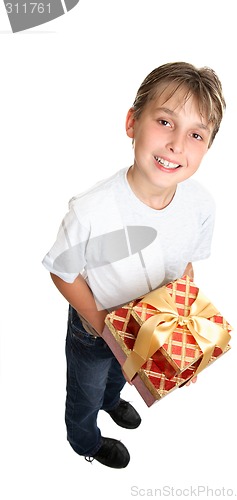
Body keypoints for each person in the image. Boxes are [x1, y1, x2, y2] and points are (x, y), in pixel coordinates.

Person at [42, 61, 226, 469]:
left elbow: (186, 269)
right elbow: (62, 270)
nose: (177, 143)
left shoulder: (201, 205)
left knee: (116, 380)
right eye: (165, 121)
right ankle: (84, 439)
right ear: (132, 122)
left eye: (196, 134)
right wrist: (103, 325)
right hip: (94, 328)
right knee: (85, 390)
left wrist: (184, 347)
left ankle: (113, 400)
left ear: (207, 147)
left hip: (150, 326)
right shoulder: (91, 209)